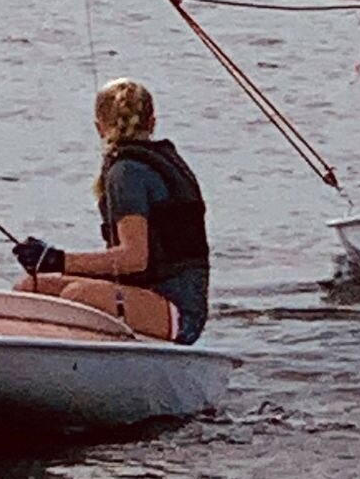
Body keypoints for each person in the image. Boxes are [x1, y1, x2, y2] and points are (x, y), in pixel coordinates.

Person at [11, 76, 211, 344]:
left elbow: (134, 258)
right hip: (140, 292)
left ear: (99, 127)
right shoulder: (154, 161)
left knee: (77, 298)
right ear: (152, 123)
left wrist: (57, 260)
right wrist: (49, 264)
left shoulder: (127, 173)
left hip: (178, 310)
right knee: (30, 288)